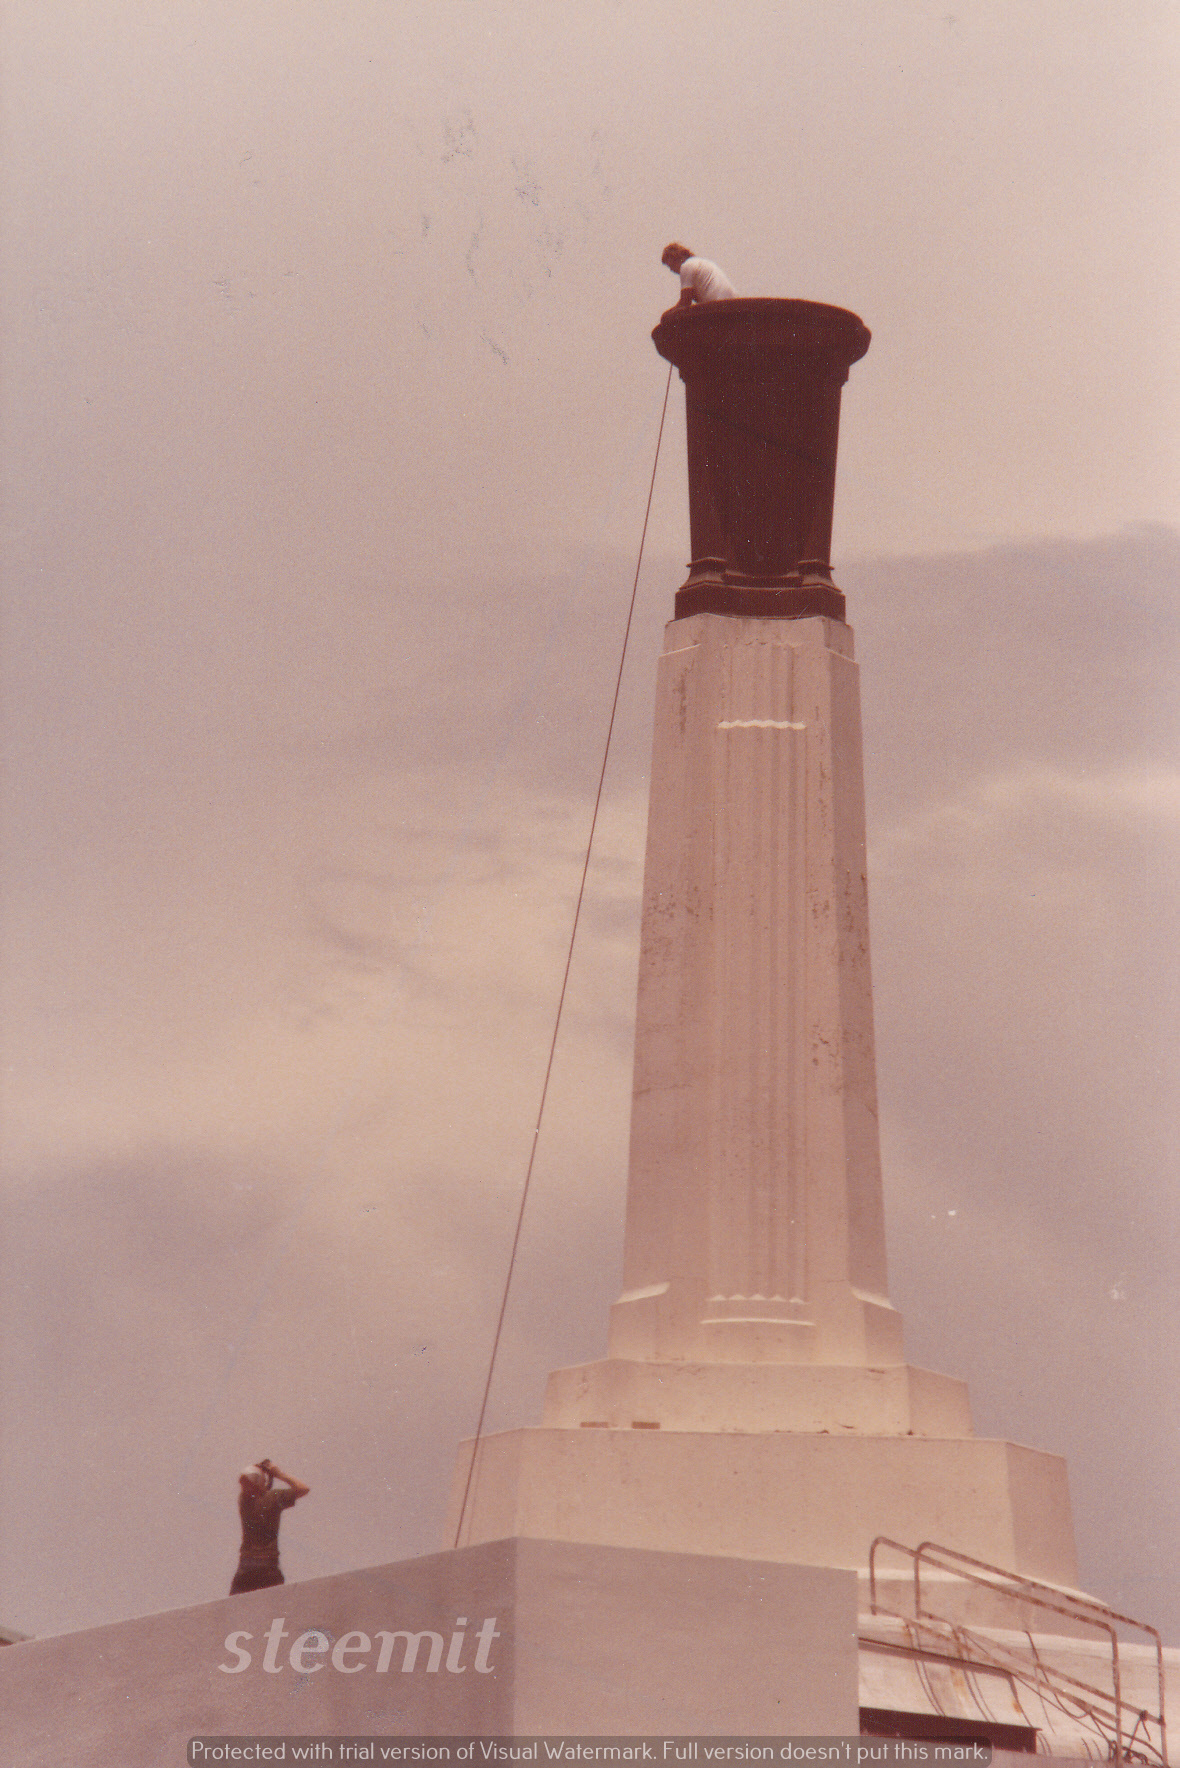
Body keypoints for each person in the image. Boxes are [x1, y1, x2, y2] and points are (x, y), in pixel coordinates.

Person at [229, 1458, 310, 1595]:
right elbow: (303, 1488)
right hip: (268, 1566)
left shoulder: (243, 1501)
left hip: (246, 1566)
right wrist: (278, 1473)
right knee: (277, 1609)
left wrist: (258, 1470)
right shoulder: (275, 1498)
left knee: (234, 1608)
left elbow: (253, 1486)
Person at [660, 243, 738, 315]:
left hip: (718, 307)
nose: (671, 270)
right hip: (734, 304)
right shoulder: (701, 263)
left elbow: (685, 302)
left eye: (671, 265)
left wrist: (667, 314)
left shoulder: (686, 266)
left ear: (678, 258)